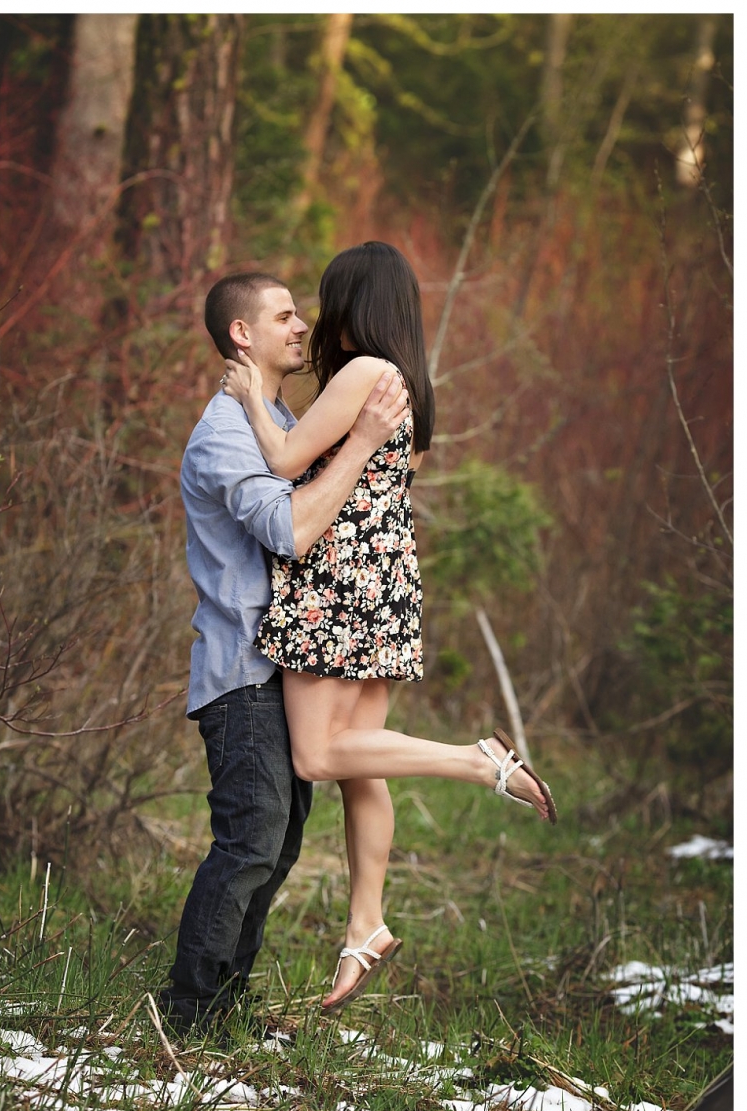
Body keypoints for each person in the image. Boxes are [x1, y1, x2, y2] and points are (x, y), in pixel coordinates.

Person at [222, 240, 557, 1015]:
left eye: (327, 297)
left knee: (314, 755)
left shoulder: (365, 373)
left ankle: (480, 762)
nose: (316, 314)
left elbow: (280, 460)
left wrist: (246, 396)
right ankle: (365, 924)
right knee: (360, 767)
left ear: (353, 301)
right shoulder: (406, 381)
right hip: (385, 581)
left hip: (338, 582)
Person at [158, 270, 411, 1035]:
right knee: (250, 839)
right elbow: (293, 531)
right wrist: (362, 441)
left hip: (285, 665)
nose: (303, 325)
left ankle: (224, 1002)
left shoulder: (271, 413)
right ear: (243, 333)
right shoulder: (225, 430)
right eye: (284, 315)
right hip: (240, 672)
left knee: (277, 845)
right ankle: (188, 1009)